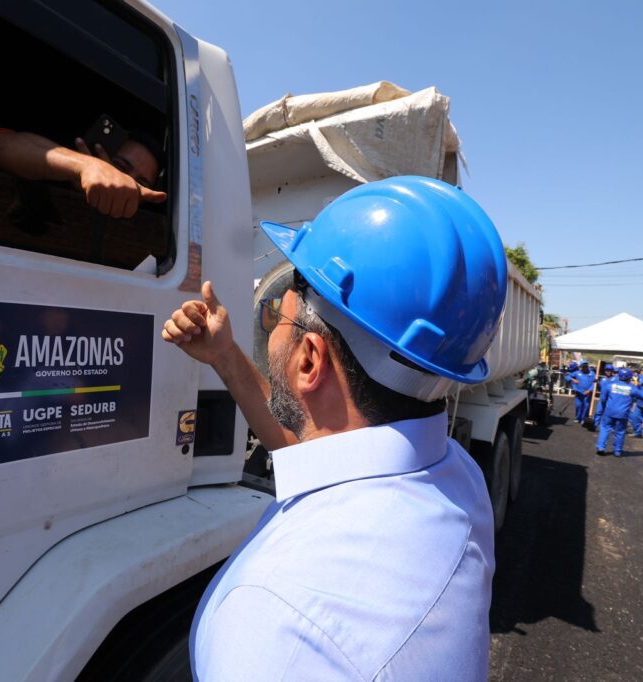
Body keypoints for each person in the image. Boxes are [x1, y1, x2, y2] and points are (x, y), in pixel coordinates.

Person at [161, 176, 505, 680]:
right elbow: (308, 448)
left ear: (309, 359)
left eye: (279, 309)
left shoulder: (273, 619)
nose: (274, 320)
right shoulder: (458, 479)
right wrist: (225, 356)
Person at [0, 127, 167, 219]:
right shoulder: (54, 179)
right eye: (121, 167)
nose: (126, 182)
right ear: (95, 152)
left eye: (141, 182)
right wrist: (86, 166)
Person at [596, 368, 643, 456]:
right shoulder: (632, 388)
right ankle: (617, 451)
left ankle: (601, 447)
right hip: (622, 413)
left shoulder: (610, 385)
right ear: (630, 377)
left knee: (605, 428)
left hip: (609, 412)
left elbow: (603, 399)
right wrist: (642, 386)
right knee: (620, 432)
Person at [570, 360, 596, 424]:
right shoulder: (577, 372)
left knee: (586, 406)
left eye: (586, 366)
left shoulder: (592, 373)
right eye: (583, 366)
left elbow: (594, 383)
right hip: (579, 393)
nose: (584, 367)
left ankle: (583, 418)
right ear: (581, 367)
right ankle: (577, 417)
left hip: (588, 393)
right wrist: (573, 379)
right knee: (578, 406)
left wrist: (590, 390)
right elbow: (567, 376)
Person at [593, 363, 616, 428]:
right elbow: (600, 388)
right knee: (598, 412)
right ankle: (595, 425)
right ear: (605, 371)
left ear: (612, 371)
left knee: (608, 414)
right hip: (602, 399)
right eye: (607, 370)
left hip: (610, 400)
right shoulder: (602, 379)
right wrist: (597, 383)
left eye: (610, 370)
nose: (608, 372)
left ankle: (607, 426)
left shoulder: (615, 380)